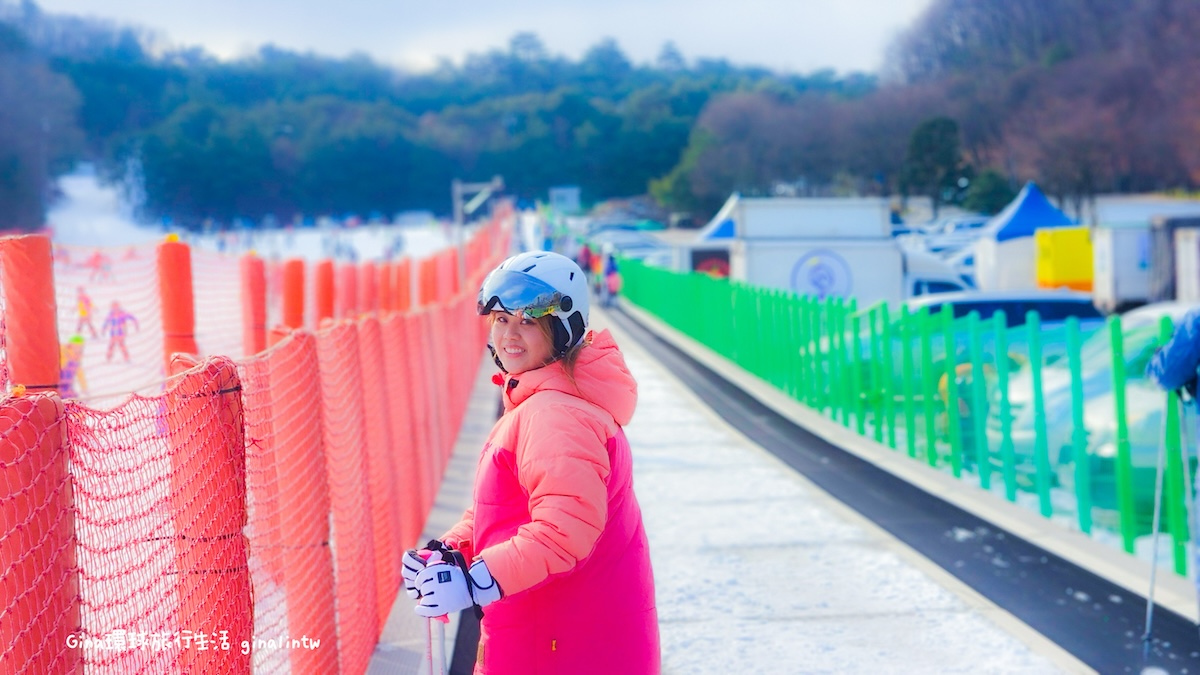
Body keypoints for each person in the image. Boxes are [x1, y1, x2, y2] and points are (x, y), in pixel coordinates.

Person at [402, 250, 660, 674]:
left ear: (562, 333)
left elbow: (563, 531)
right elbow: (508, 509)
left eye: (529, 322)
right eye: (502, 319)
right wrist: (450, 550)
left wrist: (473, 581)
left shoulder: (554, 415)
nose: (510, 335)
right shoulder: (547, 401)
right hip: (563, 635)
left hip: (562, 644)